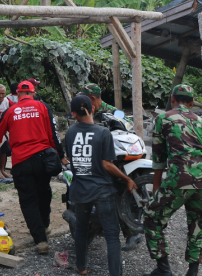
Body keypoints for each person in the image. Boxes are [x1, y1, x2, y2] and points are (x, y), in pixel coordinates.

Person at [0, 81, 68, 254]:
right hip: (42, 160)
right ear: (32, 93)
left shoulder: (10, 111)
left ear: (17, 95)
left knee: (28, 201)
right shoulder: (42, 107)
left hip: (21, 163)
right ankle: (45, 224)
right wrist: (61, 156)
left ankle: (41, 242)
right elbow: (52, 135)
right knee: (44, 192)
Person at [143, 84, 202, 276]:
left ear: (172, 99)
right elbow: (201, 151)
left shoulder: (163, 118)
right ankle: (193, 272)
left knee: (150, 217)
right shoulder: (201, 121)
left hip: (178, 178)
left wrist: (156, 189)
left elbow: (158, 158)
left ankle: (164, 270)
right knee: (197, 224)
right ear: (191, 103)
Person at [65, 95, 137, 276]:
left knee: (81, 228)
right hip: (102, 190)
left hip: (80, 189)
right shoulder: (103, 133)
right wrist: (127, 179)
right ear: (93, 109)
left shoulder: (70, 133)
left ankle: (81, 267)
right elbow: (107, 164)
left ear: (74, 114)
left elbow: (71, 159)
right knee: (112, 235)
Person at [79, 82, 142, 251]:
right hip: (95, 159)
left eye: (85, 98)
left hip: (114, 160)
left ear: (92, 98)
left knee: (117, 194)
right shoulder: (84, 110)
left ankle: (131, 234)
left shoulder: (113, 111)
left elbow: (127, 123)